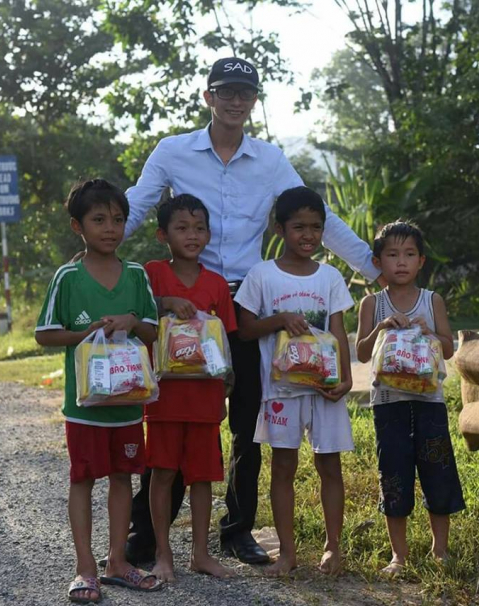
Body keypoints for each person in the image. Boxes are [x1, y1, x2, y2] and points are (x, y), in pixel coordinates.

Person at [123, 56, 383, 565]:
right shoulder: (172, 151)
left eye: (245, 92)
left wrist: (376, 267)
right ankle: (148, 532)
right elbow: (135, 207)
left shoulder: (270, 160)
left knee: (248, 419)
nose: (236, 101)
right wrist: (98, 247)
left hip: (244, 301)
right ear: (208, 97)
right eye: (226, 91)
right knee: (177, 417)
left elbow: (316, 216)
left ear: (254, 100)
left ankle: (236, 530)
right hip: (186, 304)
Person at [35, 179, 163, 603]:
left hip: (128, 406)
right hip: (85, 408)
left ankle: (118, 562)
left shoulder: (137, 275)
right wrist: (84, 334)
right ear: (78, 226)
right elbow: (45, 334)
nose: (110, 228)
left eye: (118, 219)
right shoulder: (68, 278)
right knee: (84, 479)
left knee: (124, 478)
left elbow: (151, 329)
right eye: (99, 219)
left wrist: (130, 321)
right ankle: (84, 568)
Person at [235, 186, 355, 576]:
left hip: (324, 390)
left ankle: (332, 549)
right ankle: (287, 554)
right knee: (283, 466)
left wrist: (346, 379)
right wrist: (281, 319)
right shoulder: (262, 275)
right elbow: (246, 328)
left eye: (316, 227)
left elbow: (338, 332)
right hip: (280, 391)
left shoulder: (331, 277)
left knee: (330, 467)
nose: (308, 235)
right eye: (299, 226)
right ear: (279, 228)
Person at [354, 220, 465, 577]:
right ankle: (398, 556)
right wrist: (381, 328)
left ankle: (440, 551)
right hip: (389, 404)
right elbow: (360, 352)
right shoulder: (372, 303)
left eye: (409, 254)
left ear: (421, 261)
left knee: (438, 471)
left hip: (429, 403)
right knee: (394, 475)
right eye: (392, 254)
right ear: (378, 262)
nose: (400, 262)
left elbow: (448, 350)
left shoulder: (433, 301)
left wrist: (430, 331)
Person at [143, 194, 237, 582]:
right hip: (164, 397)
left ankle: (201, 554)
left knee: (202, 477)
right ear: (163, 234)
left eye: (199, 228)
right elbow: (139, 315)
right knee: (162, 473)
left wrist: (225, 394)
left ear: (209, 234)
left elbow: (227, 346)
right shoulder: (151, 274)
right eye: (182, 228)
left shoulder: (216, 285)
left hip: (205, 396)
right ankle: (163, 555)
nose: (192, 235)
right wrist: (165, 301)